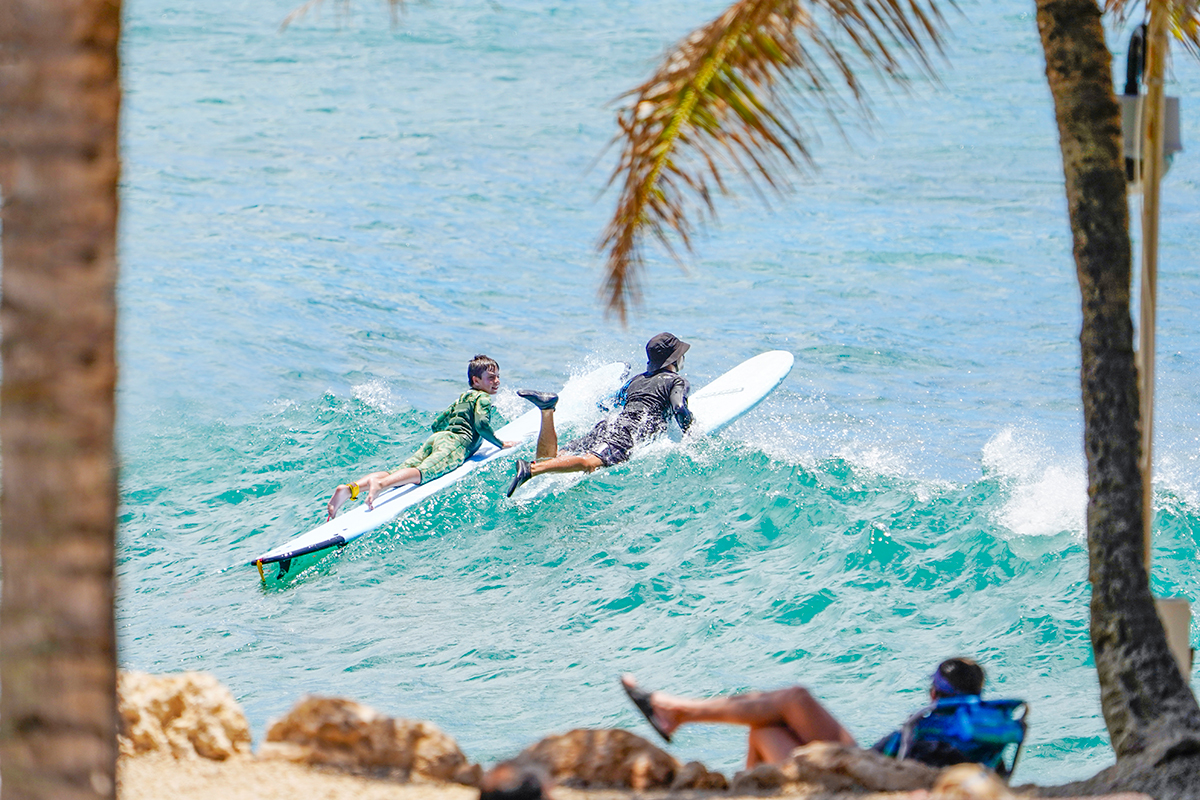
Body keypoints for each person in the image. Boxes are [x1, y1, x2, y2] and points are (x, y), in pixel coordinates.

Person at [620, 657, 990, 770]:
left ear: (933, 691)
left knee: (795, 699)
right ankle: (748, 791)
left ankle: (674, 710)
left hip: (872, 773)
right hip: (875, 767)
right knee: (763, 732)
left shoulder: (932, 723)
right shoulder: (992, 732)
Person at [326, 354, 519, 519]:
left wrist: (443, 440)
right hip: (456, 444)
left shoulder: (463, 397)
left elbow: (437, 423)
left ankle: (350, 488)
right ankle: (381, 484)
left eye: (498, 377)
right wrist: (500, 444)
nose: (497, 381)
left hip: (439, 438)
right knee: (424, 472)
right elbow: (482, 425)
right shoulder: (483, 398)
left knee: (398, 472)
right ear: (476, 380)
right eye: (491, 377)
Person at [505, 333, 695, 497]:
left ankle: (547, 411)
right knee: (590, 463)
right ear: (674, 359)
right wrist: (690, 432)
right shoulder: (677, 381)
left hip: (609, 426)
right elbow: (679, 408)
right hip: (629, 432)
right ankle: (530, 469)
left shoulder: (637, 380)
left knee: (551, 459)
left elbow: (606, 403)